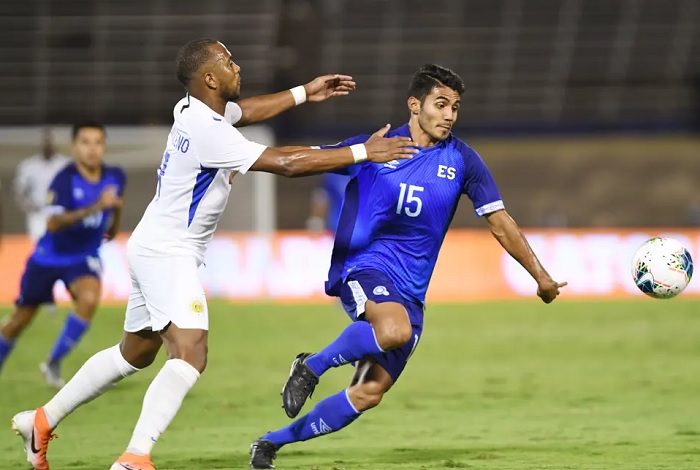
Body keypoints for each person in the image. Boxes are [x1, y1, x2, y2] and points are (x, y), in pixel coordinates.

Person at [10, 38, 417, 470]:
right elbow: (286, 164)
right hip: (169, 251)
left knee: (135, 353)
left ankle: (42, 419)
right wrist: (364, 152)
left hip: (153, 243)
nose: (236, 67)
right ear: (209, 77)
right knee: (191, 352)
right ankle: (134, 458)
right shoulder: (208, 132)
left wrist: (303, 92)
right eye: (228, 62)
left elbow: (247, 111)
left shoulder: (190, 109)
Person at [249, 64, 567, 469]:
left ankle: (270, 443)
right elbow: (305, 160)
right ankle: (312, 365)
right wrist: (242, 161)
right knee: (393, 330)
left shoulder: (463, 160)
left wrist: (540, 276)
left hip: (412, 293)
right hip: (366, 267)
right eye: (440, 104)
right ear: (414, 105)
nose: (449, 115)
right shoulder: (377, 147)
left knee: (367, 394)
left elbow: (500, 221)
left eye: (454, 107)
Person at [0, 121, 125, 389]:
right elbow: (53, 223)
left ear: (104, 146)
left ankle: (53, 362)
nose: (92, 149)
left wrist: (114, 214)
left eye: (98, 142)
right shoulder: (64, 179)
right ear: (74, 147)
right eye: (85, 142)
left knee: (89, 299)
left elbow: (111, 228)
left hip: (82, 258)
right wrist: (96, 207)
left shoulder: (115, 176)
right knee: (19, 321)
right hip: (48, 258)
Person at [13, 128, 70, 242]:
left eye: (50, 142)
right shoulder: (29, 166)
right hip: (38, 213)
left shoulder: (65, 164)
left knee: (61, 245)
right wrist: (27, 207)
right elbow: (18, 191)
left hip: (59, 212)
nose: (47, 145)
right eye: (45, 142)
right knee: (39, 246)